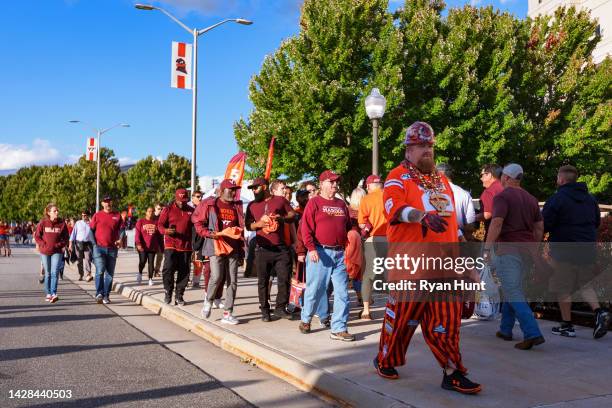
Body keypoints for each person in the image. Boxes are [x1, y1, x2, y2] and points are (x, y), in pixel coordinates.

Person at [373, 121, 481, 394]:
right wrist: (421, 216)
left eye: (430, 146)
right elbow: (395, 210)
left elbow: (452, 227)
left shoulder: (442, 181)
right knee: (399, 322)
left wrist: (466, 266)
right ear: (408, 150)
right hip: (409, 268)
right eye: (421, 146)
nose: (427, 151)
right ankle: (385, 358)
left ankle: (452, 373)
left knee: (446, 325)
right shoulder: (397, 176)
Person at [542, 165, 609, 339]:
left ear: (562, 179)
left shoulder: (557, 199)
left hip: (564, 250)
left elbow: (545, 224)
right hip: (587, 249)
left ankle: (567, 325)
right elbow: (596, 223)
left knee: (562, 287)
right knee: (585, 285)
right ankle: (600, 312)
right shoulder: (591, 199)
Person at [484, 163, 545, 350]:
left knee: (513, 291)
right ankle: (505, 329)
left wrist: (487, 249)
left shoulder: (503, 197)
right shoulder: (531, 199)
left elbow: (496, 224)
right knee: (514, 289)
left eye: (502, 176)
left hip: (508, 250)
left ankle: (532, 333)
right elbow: (539, 228)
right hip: (527, 251)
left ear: (507, 178)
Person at [299, 170, 355, 341]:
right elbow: (305, 228)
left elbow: (348, 226)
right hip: (320, 252)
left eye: (336, 182)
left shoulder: (341, 204)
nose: (335, 185)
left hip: (339, 254)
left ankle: (339, 328)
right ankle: (306, 318)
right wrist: (311, 249)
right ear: (322, 184)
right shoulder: (314, 203)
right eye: (331, 182)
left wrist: (353, 238)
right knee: (315, 289)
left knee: (342, 293)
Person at [193, 179, 245, 324]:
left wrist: (241, 250)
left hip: (233, 247)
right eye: (231, 189)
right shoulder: (210, 204)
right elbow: (197, 221)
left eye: (235, 189)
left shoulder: (237, 206)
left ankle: (228, 313)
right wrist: (209, 233)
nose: (234, 192)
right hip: (215, 245)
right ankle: (208, 301)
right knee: (216, 276)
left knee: (232, 281)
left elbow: (241, 227)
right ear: (222, 191)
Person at [245, 177, 297, 322]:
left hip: (281, 248)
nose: (254, 191)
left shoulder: (280, 200)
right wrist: (259, 224)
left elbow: (292, 215)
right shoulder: (252, 206)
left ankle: (280, 307)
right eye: (252, 189)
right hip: (262, 248)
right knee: (263, 281)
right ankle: (265, 310)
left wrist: (282, 218)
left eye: (256, 188)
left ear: (265, 187)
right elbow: (248, 225)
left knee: (285, 278)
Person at [358, 174, 388, 320]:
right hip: (393, 241)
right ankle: (393, 309)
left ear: (369, 186)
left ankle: (366, 310)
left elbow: (362, 225)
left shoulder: (367, 199)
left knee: (368, 276)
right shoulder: (392, 197)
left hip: (373, 240)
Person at [157, 188, 194, 306]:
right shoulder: (168, 209)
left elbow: (196, 226)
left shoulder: (191, 211)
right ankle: (168, 292)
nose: (182, 202)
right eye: (180, 200)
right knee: (168, 269)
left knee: (185, 272)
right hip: (171, 244)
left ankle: (179, 295)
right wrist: (166, 231)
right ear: (175, 198)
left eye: (184, 200)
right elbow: (160, 225)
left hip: (186, 246)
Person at [90, 196, 124, 304]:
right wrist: (94, 244)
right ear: (102, 204)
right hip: (99, 248)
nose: (108, 204)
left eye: (109, 202)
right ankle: (99, 293)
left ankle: (106, 295)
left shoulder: (117, 215)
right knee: (100, 270)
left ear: (112, 202)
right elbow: (91, 231)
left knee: (109, 274)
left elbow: (122, 229)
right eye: (106, 202)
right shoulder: (97, 215)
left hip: (112, 249)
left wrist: (120, 239)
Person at [34, 204, 69, 303]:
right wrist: (43, 244)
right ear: (49, 213)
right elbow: (37, 236)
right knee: (48, 273)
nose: (57, 212)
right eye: (54, 211)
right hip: (45, 251)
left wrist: (59, 245)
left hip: (57, 251)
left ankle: (54, 293)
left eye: (57, 210)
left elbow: (66, 237)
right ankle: (48, 293)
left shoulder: (62, 223)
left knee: (55, 272)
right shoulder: (43, 222)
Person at [436, 163, 476, 240]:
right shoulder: (465, 194)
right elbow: (470, 225)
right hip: (459, 241)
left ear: (440, 174)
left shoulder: (431, 193)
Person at [346, 187, 366, 307]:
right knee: (360, 272)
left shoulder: (347, 210)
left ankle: (359, 297)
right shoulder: (363, 211)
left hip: (348, 244)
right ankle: (360, 297)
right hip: (359, 243)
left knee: (352, 269)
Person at [135, 206, 162, 286]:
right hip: (142, 247)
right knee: (142, 261)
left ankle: (150, 278)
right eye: (149, 211)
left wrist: (161, 247)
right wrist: (138, 244)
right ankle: (140, 273)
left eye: (152, 211)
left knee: (151, 263)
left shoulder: (156, 222)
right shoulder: (141, 221)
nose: (150, 213)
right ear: (146, 212)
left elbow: (159, 236)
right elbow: (137, 234)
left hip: (152, 247)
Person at [476, 163, 503, 239]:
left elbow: (487, 215)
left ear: (489, 175)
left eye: (482, 175)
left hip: (494, 238)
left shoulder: (489, 191)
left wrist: (473, 217)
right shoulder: (506, 188)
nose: (481, 178)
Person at [69, 210, 95, 282]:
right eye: (82, 215)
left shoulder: (91, 223)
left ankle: (88, 274)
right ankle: (81, 274)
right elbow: (73, 234)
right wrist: (70, 244)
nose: (83, 217)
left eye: (85, 215)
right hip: (78, 243)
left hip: (88, 244)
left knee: (88, 259)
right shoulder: (78, 223)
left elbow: (94, 232)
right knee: (79, 260)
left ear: (88, 216)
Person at [153, 203, 165, 277]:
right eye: (158, 209)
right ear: (155, 208)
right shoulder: (151, 216)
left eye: (161, 209)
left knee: (160, 257)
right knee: (151, 257)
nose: (160, 210)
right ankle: (150, 270)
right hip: (152, 240)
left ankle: (157, 271)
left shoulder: (163, 217)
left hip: (160, 240)